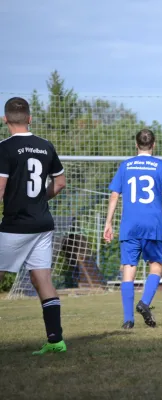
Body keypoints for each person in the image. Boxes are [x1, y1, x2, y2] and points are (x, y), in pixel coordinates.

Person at [0, 97, 67, 354]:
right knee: (43, 279)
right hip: (42, 224)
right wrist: (39, 198)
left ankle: (55, 341)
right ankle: (55, 340)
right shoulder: (45, 146)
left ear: (5, 119)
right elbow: (60, 183)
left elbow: (1, 187)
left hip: (15, 225)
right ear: (29, 118)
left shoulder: (4, 148)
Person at [104, 129, 162, 329]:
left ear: (136, 145)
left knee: (129, 268)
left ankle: (128, 320)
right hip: (153, 223)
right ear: (154, 144)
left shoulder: (126, 165)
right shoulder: (161, 166)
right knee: (156, 265)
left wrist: (108, 223)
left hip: (130, 224)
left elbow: (114, 195)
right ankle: (144, 303)